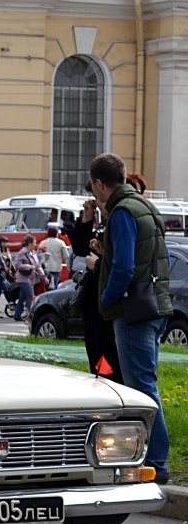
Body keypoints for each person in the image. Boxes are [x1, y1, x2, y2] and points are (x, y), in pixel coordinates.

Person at [91, 152, 172, 484]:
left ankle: (155, 460)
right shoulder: (144, 206)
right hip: (155, 305)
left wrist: (106, 299)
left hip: (133, 310)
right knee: (145, 382)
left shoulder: (122, 212)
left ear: (99, 183)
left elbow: (125, 266)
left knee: (141, 388)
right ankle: (154, 457)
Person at [69, 181, 123, 384]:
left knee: (107, 354)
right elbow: (82, 249)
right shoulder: (105, 222)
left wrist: (98, 264)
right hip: (95, 301)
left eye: (98, 199)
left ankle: (107, 382)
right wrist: (87, 220)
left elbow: (121, 264)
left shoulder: (120, 219)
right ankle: (101, 379)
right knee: (95, 348)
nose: (95, 203)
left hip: (107, 302)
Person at [11, 234, 44, 322]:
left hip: (30, 278)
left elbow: (37, 265)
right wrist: (28, 266)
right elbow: (17, 264)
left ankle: (17, 315)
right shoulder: (22, 252)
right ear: (29, 243)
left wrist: (43, 276)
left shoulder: (33, 253)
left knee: (22, 298)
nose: (35, 244)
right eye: (34, 243)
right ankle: (32, 316)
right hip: (23, 278)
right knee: (30, 296)